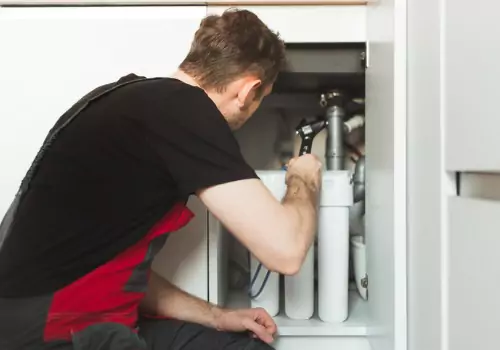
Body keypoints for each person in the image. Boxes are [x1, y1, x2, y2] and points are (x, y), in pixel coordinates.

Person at [0, 8, 321, 350]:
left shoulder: (124, 99)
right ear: (248, 90)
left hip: (66, 323)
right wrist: (304, 180)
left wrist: (217, 315)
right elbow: (286, 251)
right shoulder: (184, 110)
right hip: (56, 336)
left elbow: (113, 270)